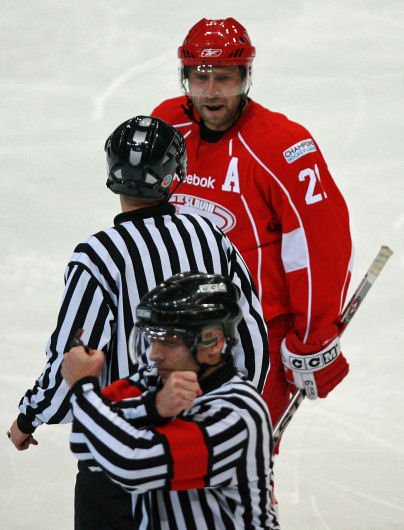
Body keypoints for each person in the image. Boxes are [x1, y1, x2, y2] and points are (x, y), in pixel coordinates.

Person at [7, 116, 269, 529]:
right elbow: (251, 334)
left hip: (124, 444)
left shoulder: (99, 255)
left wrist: (30, 417)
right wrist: (236, 415)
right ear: (175, 175)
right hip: (201, 445)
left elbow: (74, 359)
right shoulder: (210, 235)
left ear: (112, 175)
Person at [151, 18, 353, 429]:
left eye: (224, 78)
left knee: (243, 463)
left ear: (246, 77)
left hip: (255, 337)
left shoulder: (281, 145)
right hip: (177, 333)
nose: (210, 92)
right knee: (177, 458)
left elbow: (319, 246)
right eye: (199, 78)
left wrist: (313, 338)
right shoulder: (167, 125)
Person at [61, 271, 280, 529]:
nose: (155, 354)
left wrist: (83, 388)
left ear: (213, 343)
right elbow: (83, 439)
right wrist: (151, 408)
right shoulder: (151, 381)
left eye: (170, 341)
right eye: (153, 339)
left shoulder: (238, 413)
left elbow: (134, 464)